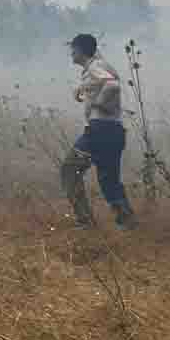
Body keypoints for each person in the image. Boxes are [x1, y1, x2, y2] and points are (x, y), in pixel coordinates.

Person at [61, 33, 135, 229]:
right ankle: (127, 222)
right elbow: (105, 82)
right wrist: (81, 90)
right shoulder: (97, 66)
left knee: (69, 169)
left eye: (72, 50)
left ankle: (85, 221)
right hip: (114, 131)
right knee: (109, 180)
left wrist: (97, 103)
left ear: (80, 50)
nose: (70, 54)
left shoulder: (95, 66)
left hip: (100, 130)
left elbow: (112, 85)